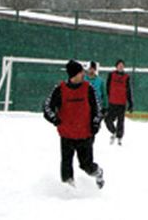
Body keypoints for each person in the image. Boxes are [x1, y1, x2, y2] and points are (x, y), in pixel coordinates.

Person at [43, 59, 105, 188]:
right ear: (74, 75)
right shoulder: (60, 89)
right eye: (81, 72)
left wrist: (95, 124)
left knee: (86, 166)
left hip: (85, 135)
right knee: (66, 165)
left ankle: (98, 172)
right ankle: (68, 191)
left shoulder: (89, 88)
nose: (84, 74)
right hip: (66, 135)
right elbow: (47, 107)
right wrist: (55, 119)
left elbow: (98, 109)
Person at [104, 59, 133, 145]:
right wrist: (110, 97)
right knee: (108, 119)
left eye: (122, 65)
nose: (121, 67)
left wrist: (130, 103)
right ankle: (114, 131)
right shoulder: (111, 75)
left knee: (121, 121)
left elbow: (128, 90)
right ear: (116, 66)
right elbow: (107, 88)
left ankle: (119, 138)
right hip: (112, 102)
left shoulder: (126, 77)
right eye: (119, 65)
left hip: (121, 103)